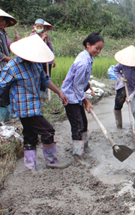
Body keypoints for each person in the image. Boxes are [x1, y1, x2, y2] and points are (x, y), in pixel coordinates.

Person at [0, 35, 68, 171]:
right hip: (24, 108)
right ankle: (51, 161)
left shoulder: (35, 64)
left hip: (34, 106)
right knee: (48, 131)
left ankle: (30, 166)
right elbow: (1, 85)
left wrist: (59, 92)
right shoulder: (12, 67)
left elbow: (45, 79)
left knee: (30, 136)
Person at [61, 32, 104, 159]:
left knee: (83, 122)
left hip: (76, 95)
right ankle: (77, 154)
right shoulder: (83, 63)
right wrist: (86, 102)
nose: (99, 51)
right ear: (88, 44)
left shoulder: (87, 57)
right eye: (97, 48)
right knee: (77, 125)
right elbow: (77, 87)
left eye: (101, 49)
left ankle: (85, 147)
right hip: (69, 96)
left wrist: (88, 85)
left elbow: (81, 82)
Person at [0, 9, 20, 124]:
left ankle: (7, 117)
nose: (1, 23)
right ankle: (2, 119)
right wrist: (10, 59)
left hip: (5, 67)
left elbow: (9, 47)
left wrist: (15, 43)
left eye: (3, 20)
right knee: (2, 92)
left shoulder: (3, 33)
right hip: (1, 66)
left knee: (6, 91)